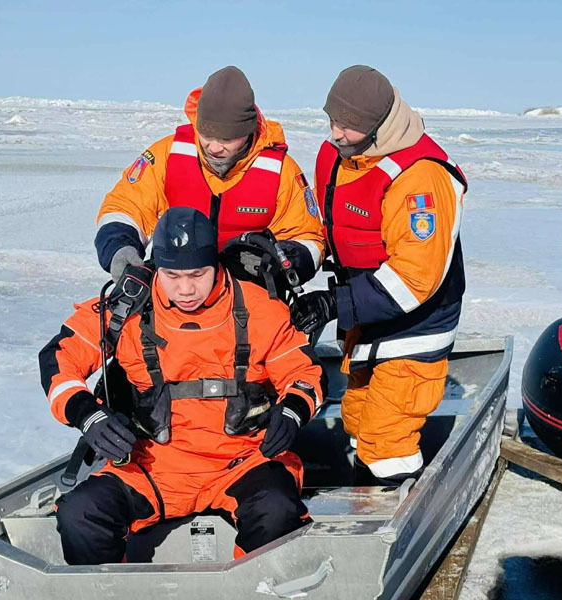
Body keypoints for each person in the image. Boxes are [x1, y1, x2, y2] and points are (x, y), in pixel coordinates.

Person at [39, 207, 324, 565]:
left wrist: (294, 409)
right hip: (154, 464)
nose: (186, 289)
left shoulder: (260, 310)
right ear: (157, 267)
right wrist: (87, 415)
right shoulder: (127, 308)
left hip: (242, 461)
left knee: (277, 512)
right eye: (172, 275)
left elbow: (304, 371)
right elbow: (59, 358)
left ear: (215, 265)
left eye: (198, 274)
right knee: (80, 515)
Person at [290, 66, 467, 485]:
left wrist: (334, 303)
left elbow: (413, 280)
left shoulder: (422, 177)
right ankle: (365, 496)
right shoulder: (336, 156)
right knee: (356, 417)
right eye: (332, 120)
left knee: (386, 439)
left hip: (416, 324)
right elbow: (330, 227)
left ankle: (397, 516)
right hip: (366, 319)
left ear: (378, 124)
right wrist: (296, 257)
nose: (336, 133)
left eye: (349, 127)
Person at [95, 65, 323, 287]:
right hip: (175, 293)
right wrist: (118, 246)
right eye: (205, 134)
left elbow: (307, 238)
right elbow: (126, 205)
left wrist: (279, 263)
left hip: (250, 300)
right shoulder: (167, 156)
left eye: (226, 139)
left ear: (248, 131)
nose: (214, 148)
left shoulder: (281, 172)